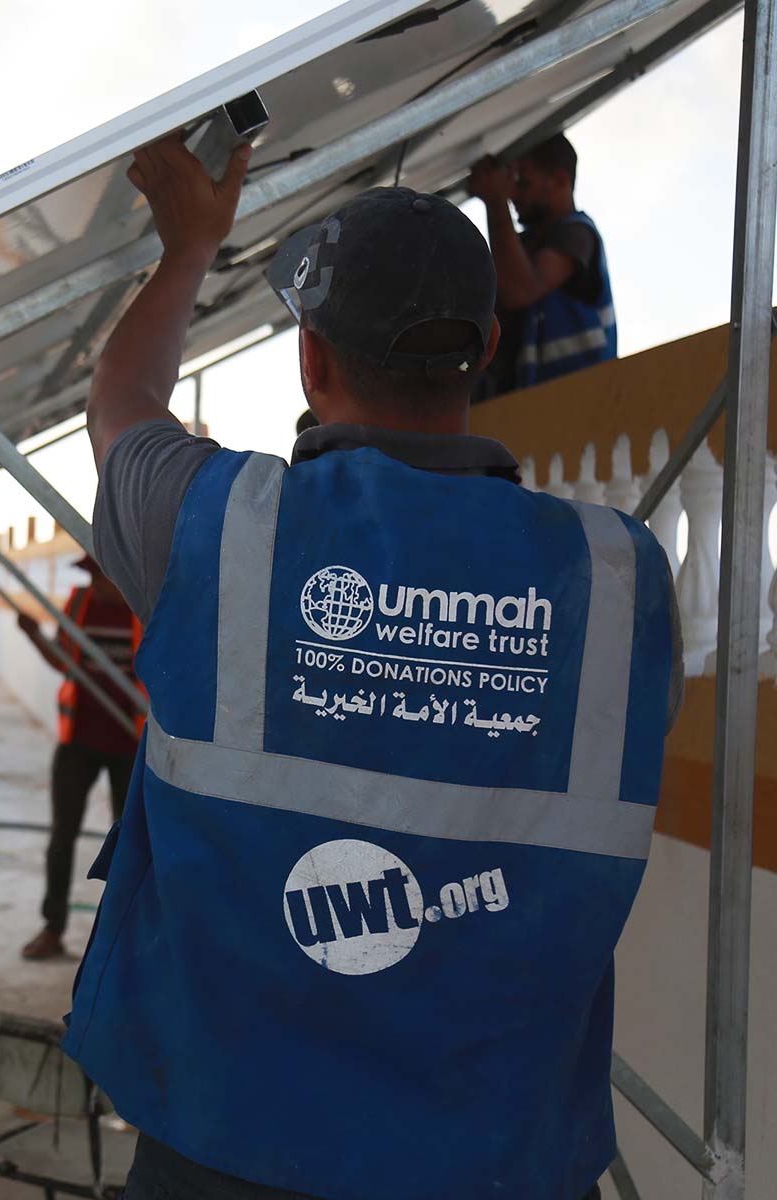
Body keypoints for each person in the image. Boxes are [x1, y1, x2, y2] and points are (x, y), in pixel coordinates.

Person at [63, 135, 682, 1200]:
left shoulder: (213, 524)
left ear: (311, 360)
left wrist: (189, 248)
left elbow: (120, 401)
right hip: (504, 1161)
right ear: (488, 346)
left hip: (224, 1145)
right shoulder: (624, 576)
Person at [18, 554, 141, 961]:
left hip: (129, 743)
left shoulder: (142, 606)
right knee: (61, 837)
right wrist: (35, 636)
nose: (95, 585)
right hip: (79, 741)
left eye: (99, 576)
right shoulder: (79, 603)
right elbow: (64, 660)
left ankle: (122, 938)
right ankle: (53, 928)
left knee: (127, 844)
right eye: (90, 577)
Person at [468, 133, 616, 395]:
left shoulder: (578, 234)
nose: (513, 193)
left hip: (579, 400)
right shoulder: (522, 246)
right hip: (528, 405)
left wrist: (495, 201)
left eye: (522, 181)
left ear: (559, 181)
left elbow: (520, 290)